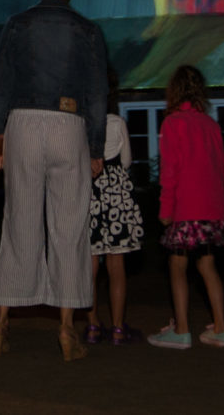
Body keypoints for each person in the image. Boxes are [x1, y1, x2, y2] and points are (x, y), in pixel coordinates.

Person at [0, 0, 109, 362]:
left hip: (22, 123)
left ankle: (0, 325)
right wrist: (96, 148)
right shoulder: (89, 30)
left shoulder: (17, 25)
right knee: (69, 229)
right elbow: (97, 94)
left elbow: (0, 88)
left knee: (18, 222)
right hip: (69, 124)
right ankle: (65, 331)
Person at [147, 66, 224, 350]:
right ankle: (220, 329)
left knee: (177, 265)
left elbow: (170, 170)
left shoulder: (173, 123)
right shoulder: (211, 125)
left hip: (185, 205)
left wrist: (165, 207)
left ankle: (182, 330)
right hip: (212, 206)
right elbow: (222, 170)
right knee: (207, 264)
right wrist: (219, 205)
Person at [84, 74, 145, 345]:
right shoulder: (118, 122)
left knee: (91, 265)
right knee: (116, 264)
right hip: (117, 193)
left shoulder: (82, 125)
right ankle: (118, 328)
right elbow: (128, 160)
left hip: (90, 192)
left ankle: (93, 325)